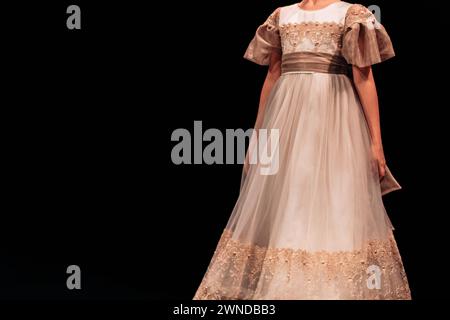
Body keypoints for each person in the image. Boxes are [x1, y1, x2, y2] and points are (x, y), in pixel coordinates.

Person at [194, 0, 411, 300]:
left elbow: (364, 77)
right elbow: (272, 75)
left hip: (335, 121)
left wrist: (377, 143)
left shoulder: (350, 14)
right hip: (287, 125)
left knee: (336, 200)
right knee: (290, 198)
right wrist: (257, 138)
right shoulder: (282, 15)